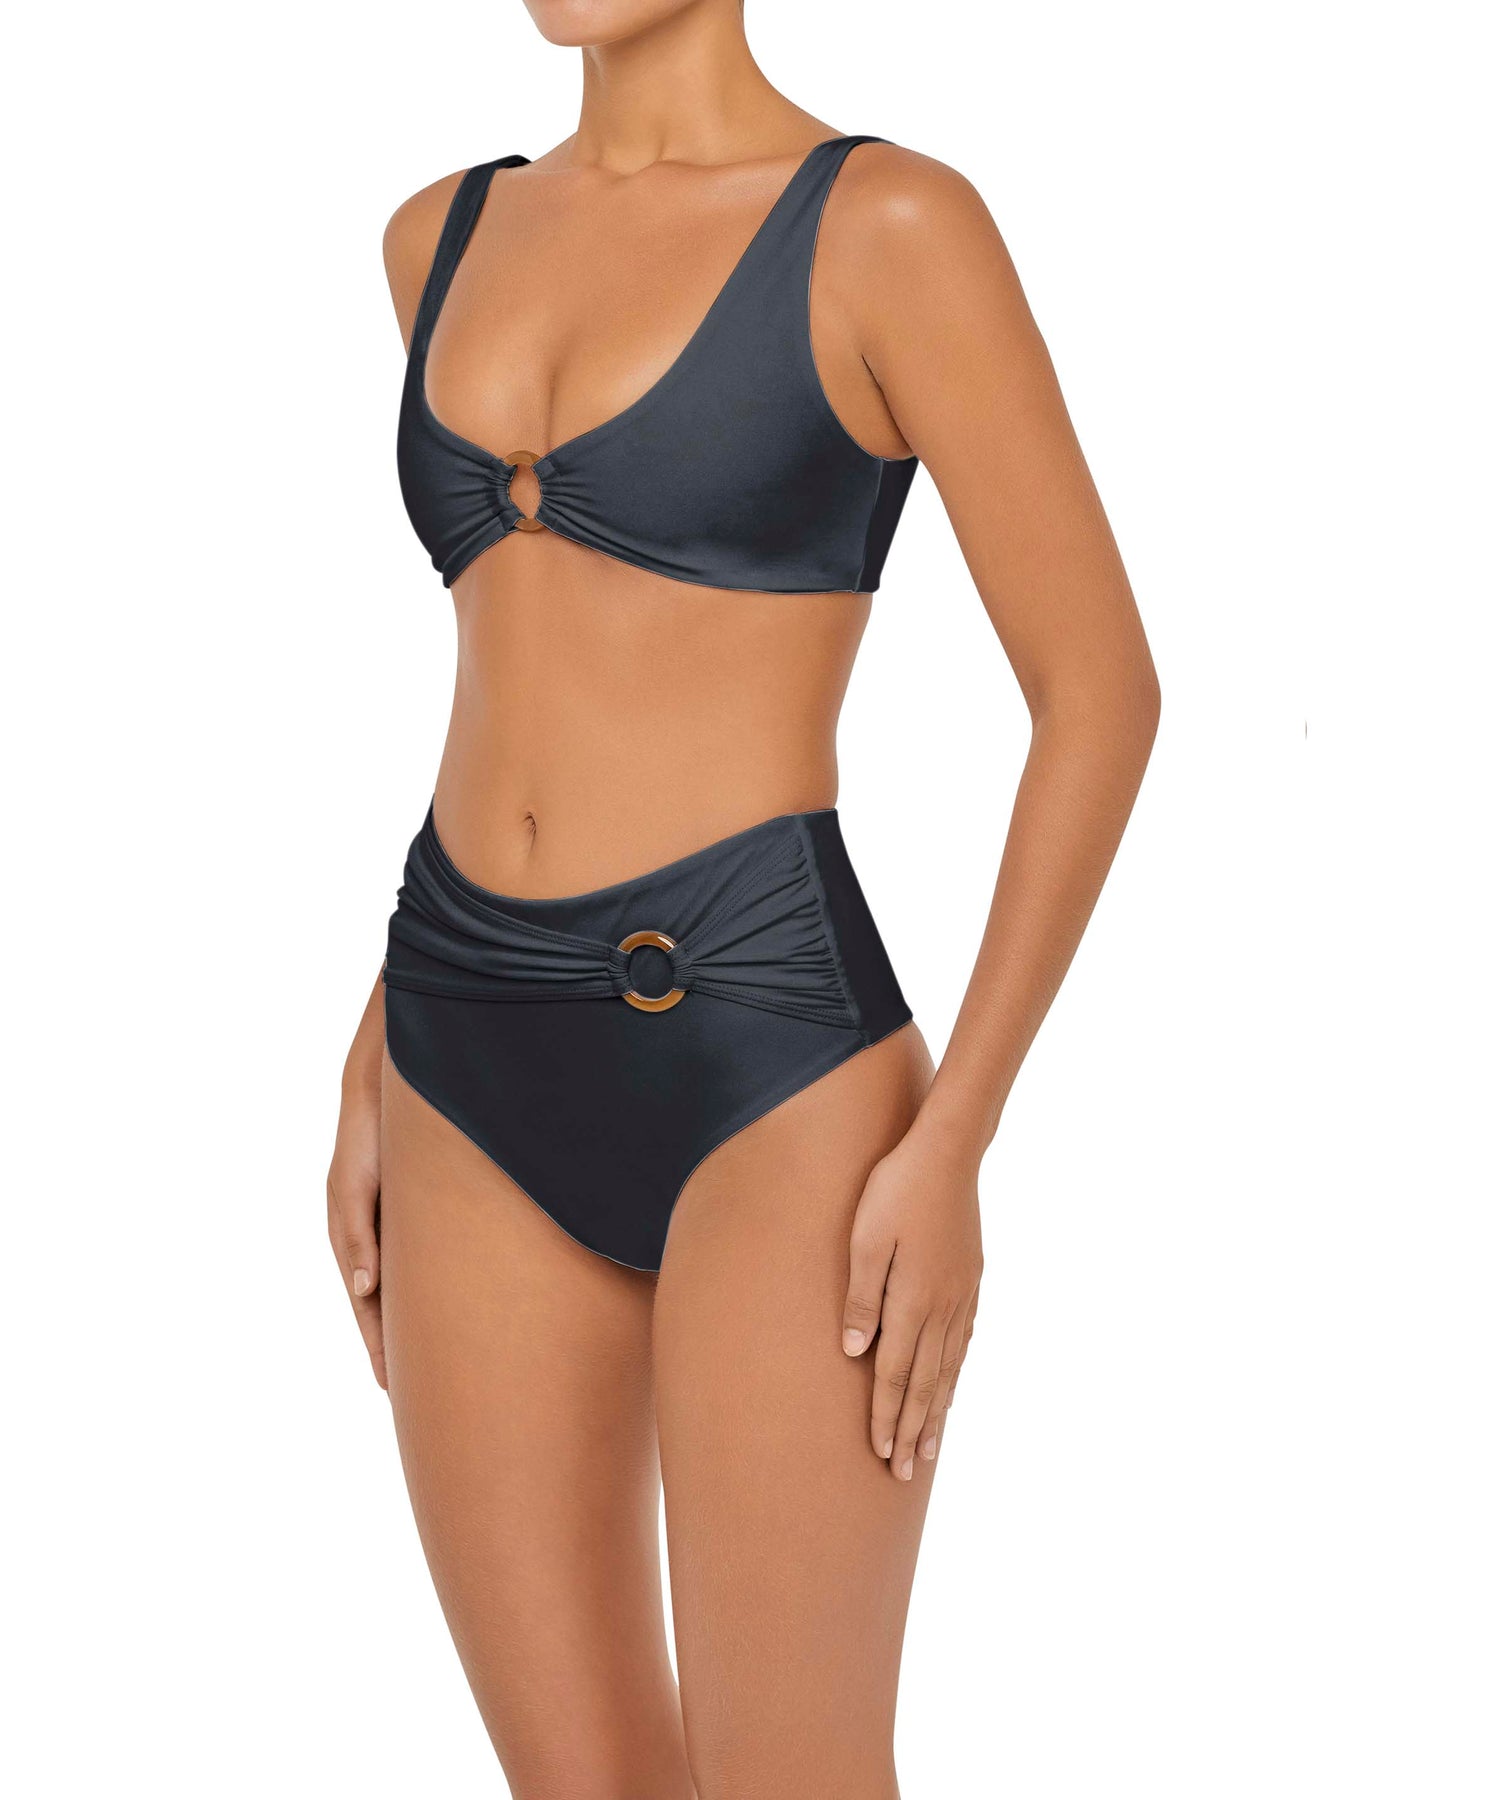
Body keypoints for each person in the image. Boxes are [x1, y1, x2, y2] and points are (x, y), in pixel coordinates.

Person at [326, 1, 1159, 1792]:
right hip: (458, 1035)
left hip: (766, 1068)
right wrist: (376, 1035)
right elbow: (515, 674)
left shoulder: (887, 228)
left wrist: (957, 1139)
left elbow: (1101, 695)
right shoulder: (437, 237)